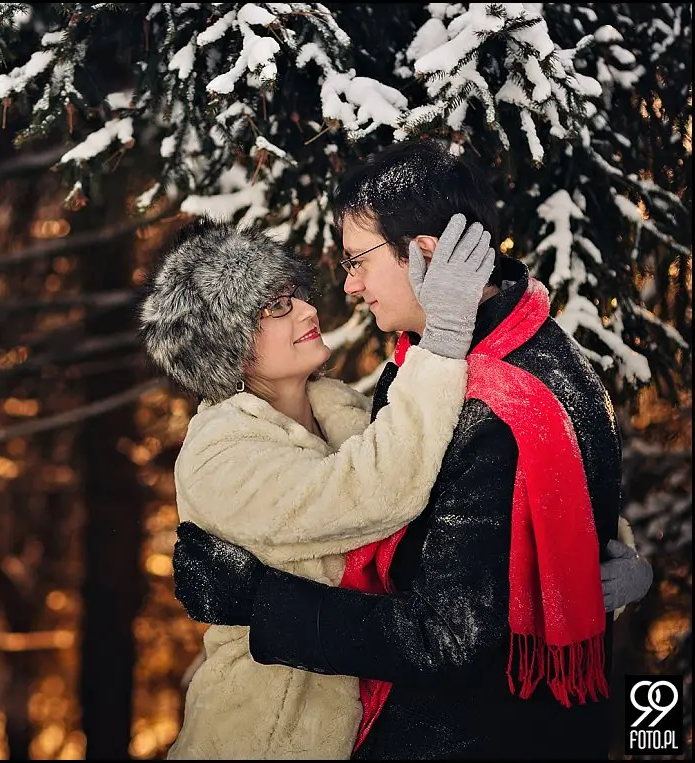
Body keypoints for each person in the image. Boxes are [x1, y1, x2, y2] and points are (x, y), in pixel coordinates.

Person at [171, 138, 654, 759]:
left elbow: (451, 625)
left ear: (426, 252)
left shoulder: (494, 396)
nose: (343, 288)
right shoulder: (433, 370)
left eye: (357, 262)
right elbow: (403, 496)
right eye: (274, 306)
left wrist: (258, 601)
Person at [139, 213, 493, 758]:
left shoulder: (346, 413)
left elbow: (460, 485)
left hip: (369, 727)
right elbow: (377, 492)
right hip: (262, 737)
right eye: (276, 306)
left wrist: (586, 548)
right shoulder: (218, 455)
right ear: (229, 345)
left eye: (296, 294)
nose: (308, 308)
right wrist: (441, 343)